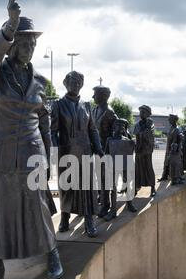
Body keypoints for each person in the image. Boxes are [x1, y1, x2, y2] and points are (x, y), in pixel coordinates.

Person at [0, 0, 63, 279]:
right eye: (24, 43)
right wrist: (9, 26)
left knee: (38, 206)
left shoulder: (40, 82)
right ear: (12, 47)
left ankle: (51, 253)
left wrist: (47, 154)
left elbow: (45, 119)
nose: (29, 48)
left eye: (32, 44)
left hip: (31, 151)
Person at [51, 71, 104, 237]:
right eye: (73, 82)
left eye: (79, 83)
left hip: (85, 152)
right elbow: (52, 132)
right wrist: (55, 150)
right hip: (66, 152)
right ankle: (65, 217)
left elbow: (92, 129)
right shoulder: (58, 105)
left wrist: (99, 148)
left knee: (87, 188)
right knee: (67, 187)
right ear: (66, 84)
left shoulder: (86, 105)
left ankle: (89, 221)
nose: (76, 85)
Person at [103, 118, 137, 221]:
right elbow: (106, 154)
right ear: (114, 127)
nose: (120, 128)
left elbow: (131, 152)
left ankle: (129, 203)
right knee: (113, 188)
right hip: (113, 166)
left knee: (127, 184)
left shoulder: (126, 140)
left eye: (122, 126)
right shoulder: (110, 140)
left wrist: (132, 142)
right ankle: (113, 210)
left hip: (124, 166)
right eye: (118, 126)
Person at [92, 85, 117, 217]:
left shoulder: (110, 113)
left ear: (103, 96)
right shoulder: (94, 110)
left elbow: (116, 134)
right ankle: (102, 200)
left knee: (105, 179)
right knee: (99, 178)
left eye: (95, 94)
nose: (93, 97)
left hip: (106, 153)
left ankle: (106, 205)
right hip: (96, 151)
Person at [133, 105, 156, 197]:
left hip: (147, 150)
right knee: (137, 169)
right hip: (139, 149)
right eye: (140, 112)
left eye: (143, 112)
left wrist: (142, 134)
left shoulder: (151, 124)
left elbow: (149, 135)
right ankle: (136, 186)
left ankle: (153, 188)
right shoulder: (137, 124)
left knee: (148, 168)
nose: (140, 114)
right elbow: (137, 136)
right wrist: (136, 146)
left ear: (148, 114)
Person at [159, 114, 184, 185]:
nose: (168, 120)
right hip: (169, 148)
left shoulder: (177, 128)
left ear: (174, 120)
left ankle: (177, 178)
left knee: (175, 164)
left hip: (174, 150)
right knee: (166, 162)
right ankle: (164, 176)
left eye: (169, 119)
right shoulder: (171, 127)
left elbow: (180, 137)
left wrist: (180, 139)